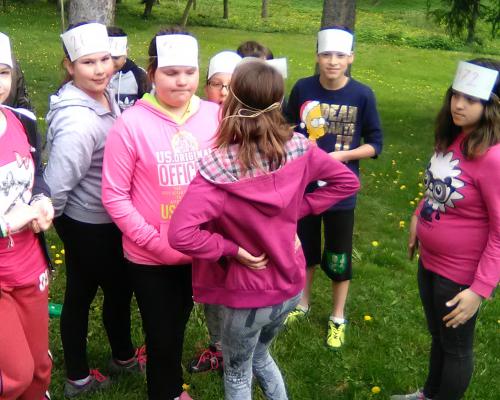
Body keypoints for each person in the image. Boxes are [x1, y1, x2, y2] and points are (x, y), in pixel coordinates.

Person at [168, 59, 360, 400]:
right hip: (289, 287)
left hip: (249, 294)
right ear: (279, 102)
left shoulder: (216, 170)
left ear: (231, 102)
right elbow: (347, 182)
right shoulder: (300, 149)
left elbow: (180, 234)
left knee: (237, 372)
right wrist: (297, 210)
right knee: (260, 355)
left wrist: (231, 249)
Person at [101, 28, 220, 400]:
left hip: (198, 248)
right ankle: (166, 392)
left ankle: (168, 385)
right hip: (150, 254)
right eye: (171, 72)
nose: (182, 80)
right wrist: (156, 244)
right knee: (161, 332)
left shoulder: (214, 117)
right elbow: (115, 196)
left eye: (189, 71)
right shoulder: (131, 125)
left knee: (177, 323)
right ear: (152, 73)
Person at [44, 22, 142, 398]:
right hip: (89, 222)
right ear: (69, 66)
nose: (101, 70)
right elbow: (56, 187)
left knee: (86, 291)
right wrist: (63, 227)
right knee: (111, 291)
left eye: (105, 59)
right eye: (88, 63)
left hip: (98, 219)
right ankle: (102, 367)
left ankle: (93, 369)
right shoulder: (78, 122)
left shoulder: (101, 95)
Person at [392, 59, 500, 400]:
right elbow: (436, 188)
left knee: (456, 348)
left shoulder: (493, 159)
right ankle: (429, 394)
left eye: (471, 98)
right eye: (456, 94)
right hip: (430, 262)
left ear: (491, 106)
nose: (459, 104)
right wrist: (417, 215)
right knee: (438, 336)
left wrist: (479, 290)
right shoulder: (453, 136)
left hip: (460, 275)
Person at [284, 26, 383, 349]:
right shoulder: (303, 88)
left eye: (340, 55)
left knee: (339, 256)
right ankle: (302, 303)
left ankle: (337, 316)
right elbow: (286, 127)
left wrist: (341, 156)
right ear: (317, 56)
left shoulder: (362, 95)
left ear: (351, 58)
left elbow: (375, 144)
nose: (332, 61)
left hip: (341, 194)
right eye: (326, 54)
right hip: (305, 189)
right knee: (305, 250)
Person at [0, 31, 53, 400]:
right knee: (14, 376)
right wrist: (7, 222)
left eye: (2, 72)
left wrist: (42, 199)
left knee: (38, 369)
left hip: (30, 265)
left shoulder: (21, 120)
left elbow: (36, 176)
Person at [107, 26, 151, 112]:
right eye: (105, 58)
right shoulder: (93, 76)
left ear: (126, 52)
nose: (110, 62)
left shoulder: (139, 75)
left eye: (116, 58)